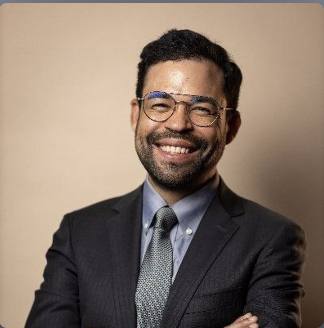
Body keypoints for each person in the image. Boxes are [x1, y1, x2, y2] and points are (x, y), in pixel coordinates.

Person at [25, 29, 306, 328]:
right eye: (160, 104)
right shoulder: (78, 233)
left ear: (231, 126)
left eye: (202, 109)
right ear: (136, 115)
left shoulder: (272, 239)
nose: (178, 124)